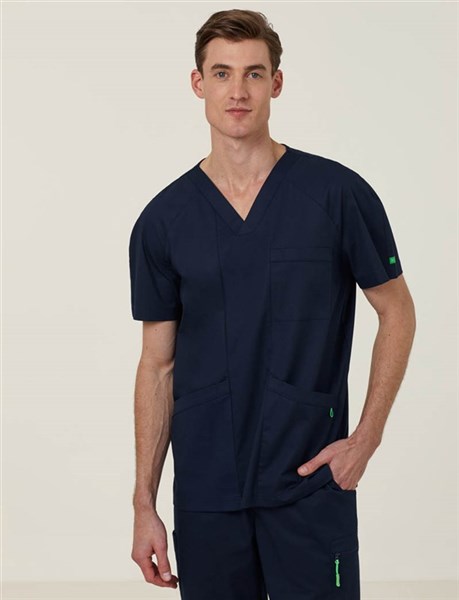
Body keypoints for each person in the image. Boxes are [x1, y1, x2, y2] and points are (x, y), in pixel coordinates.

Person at [128, 8, 416, 599]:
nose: (238, 91)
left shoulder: (336, 195)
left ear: (276, 83)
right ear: (198, 83)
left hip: (310, 483)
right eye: (222, 73)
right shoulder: (163, 221)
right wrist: (144, 503)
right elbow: (157, 365)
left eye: (254, 73)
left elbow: (397, 311)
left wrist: (366, 438)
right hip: (207, 492)